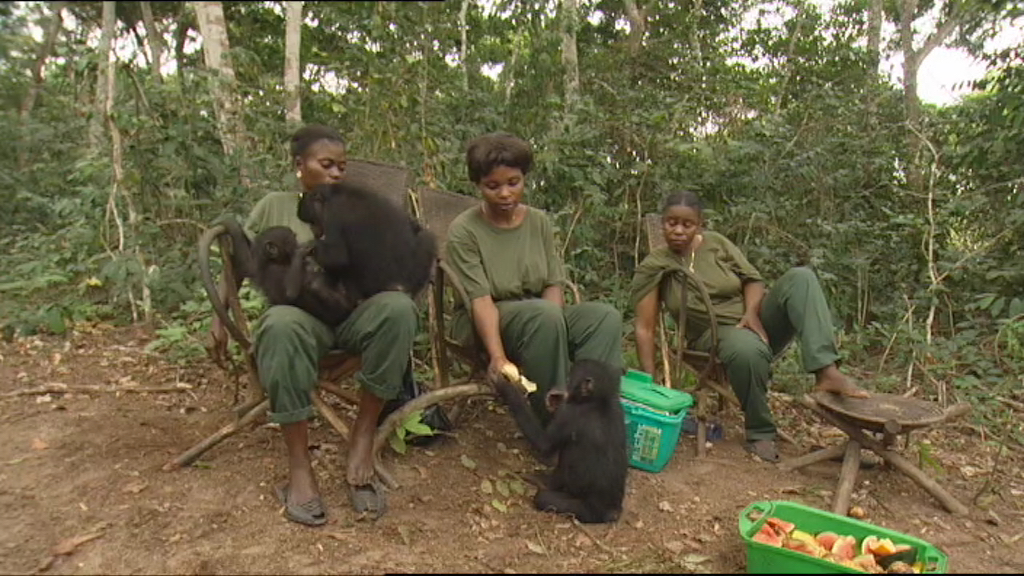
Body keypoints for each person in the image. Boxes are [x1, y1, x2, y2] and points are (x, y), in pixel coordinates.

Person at [241, 124, 416, 525]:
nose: (336, 173)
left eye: (342, 166)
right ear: (300, 165)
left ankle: (363, 434)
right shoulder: (274, 206)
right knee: (279, 323)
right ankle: (299, 464)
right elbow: (241, 260)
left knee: (398, 308)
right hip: (302, 319)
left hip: (352, 315)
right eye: (326, 164)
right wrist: (219, 319)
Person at [630, 191, 869, 463]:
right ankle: (760, 432)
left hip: (754, 320)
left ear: (699, 225)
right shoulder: (656, 265)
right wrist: (649, 385)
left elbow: (752, 279)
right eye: (671, 223)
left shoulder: (716, 243)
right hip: (712, 336)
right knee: (745, 347)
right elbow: (645, 327)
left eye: (687, 224)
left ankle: (826, 370)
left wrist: (751, 313)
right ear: (663, 223)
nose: (678, 231)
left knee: (800, 278)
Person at [446, 132, 624, 419]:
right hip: (483, 322)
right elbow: (480, 301)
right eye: (493, 186)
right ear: (478, 184)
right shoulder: (464, 230)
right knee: (544, 316)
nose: (505, 194)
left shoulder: (538, 222)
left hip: (540, 318)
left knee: (604, 318)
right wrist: (498, 357)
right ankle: (553, 420)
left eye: (513, 183)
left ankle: (591, 413)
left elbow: (553, 283)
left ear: (524, 179)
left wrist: (557, 332)